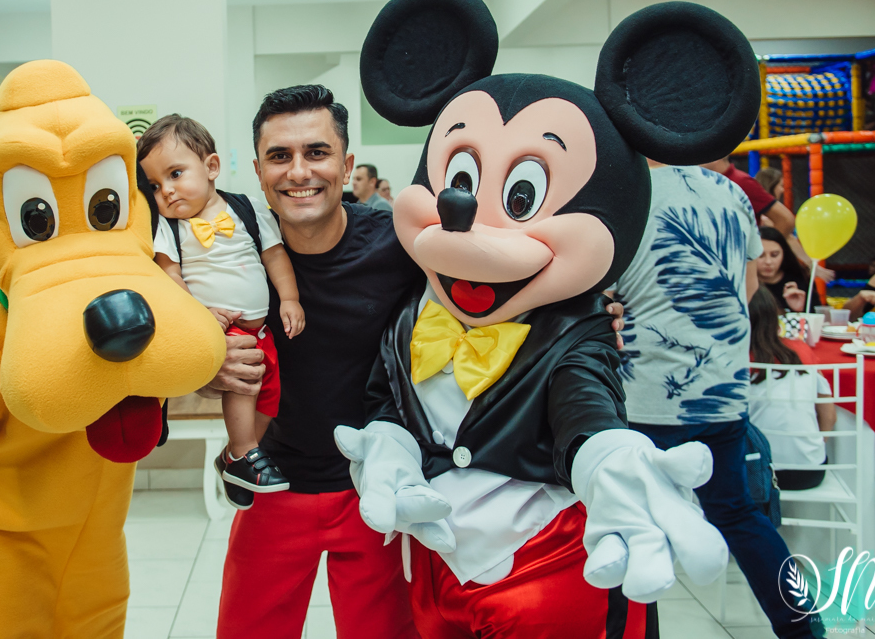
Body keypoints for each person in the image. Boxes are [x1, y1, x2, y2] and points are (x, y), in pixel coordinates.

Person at [204, 84, 628, 637]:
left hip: (378, 486)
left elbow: (500, 293)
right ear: (259, 171)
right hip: (275, 484)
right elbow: (183, 341)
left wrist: (587, 316)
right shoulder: (232, 255)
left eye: (317, 152)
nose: (299, 171)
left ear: (346, 165)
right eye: (280, 156)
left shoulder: (404, 245)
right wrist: (210, 364)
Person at [613, 160, 821, 638]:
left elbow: (603, 293)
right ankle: (804, 629)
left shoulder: (625, 190)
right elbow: (749, 289)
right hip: (720, 389)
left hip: (645, 392)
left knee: (629, 526)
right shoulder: (731, 193)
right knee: (739, 515)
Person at [138, 114, 304, 500]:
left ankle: (236, 458)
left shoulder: (247, 210)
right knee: (242, 384)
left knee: (270, 395)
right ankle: (244, 451)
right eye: (154, 185)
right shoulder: (168, 227)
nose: (166, 191)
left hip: (262, 331)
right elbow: (169, 276)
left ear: (212, 167)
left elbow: (274, 256)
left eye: (175, 174)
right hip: (220, 329)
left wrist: (290, 299)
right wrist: (197, 317)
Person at [746, 287, 834, 491]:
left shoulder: (733, 359)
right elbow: (829, 415)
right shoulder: (802, 350)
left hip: (756, 473)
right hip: (810, 471)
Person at [703, 154, 795, 235]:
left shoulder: (741, 182)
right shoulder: (707, 182)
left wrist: (765, 247)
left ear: (715, 158)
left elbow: (786, 220)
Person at [758, 227, 818, 313]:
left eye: (774, 255)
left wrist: (798, 311)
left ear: (784, 253)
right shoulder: (744, 284)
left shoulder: (800, 279)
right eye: (760, 255)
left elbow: (816, 315)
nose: (768, 261)